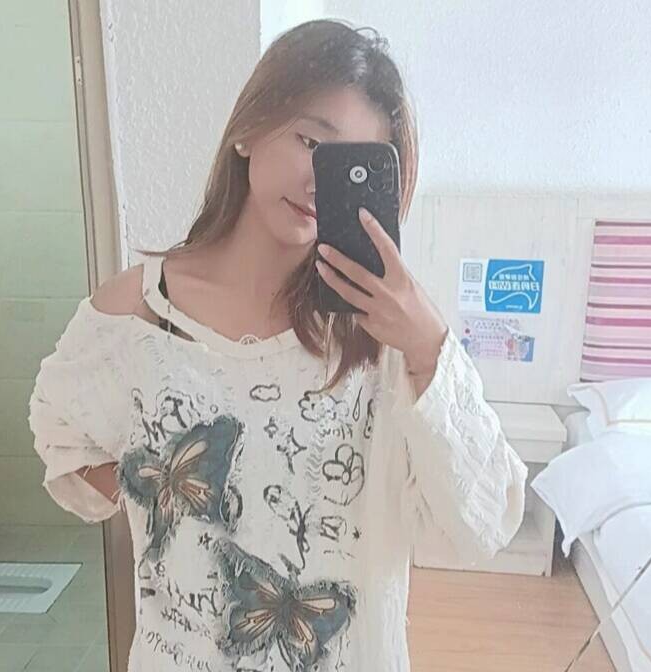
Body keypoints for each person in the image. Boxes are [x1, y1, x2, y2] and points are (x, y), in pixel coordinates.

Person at [29, 19, 528, 672]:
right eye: (310, 142)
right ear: (248, 129)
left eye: (351, 168)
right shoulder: (136, 315)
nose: (321, 182)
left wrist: (428, 345)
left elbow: (481, 526)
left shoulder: (385, 336)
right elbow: (63, 436)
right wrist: (162, 497)